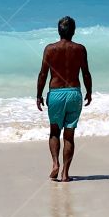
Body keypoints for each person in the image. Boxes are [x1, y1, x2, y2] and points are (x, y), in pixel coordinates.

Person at [36, 16, 92, 182]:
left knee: (54, 132)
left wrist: (38, 95)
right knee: (69, 134)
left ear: (58, 31)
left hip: (56, 94)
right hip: (74, 93)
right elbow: (86, 73)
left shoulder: (50, 49)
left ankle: (55, 164)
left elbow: (43, 74)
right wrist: (89, 91)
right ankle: (66, 173)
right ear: (74, 31)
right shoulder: (80, 49)